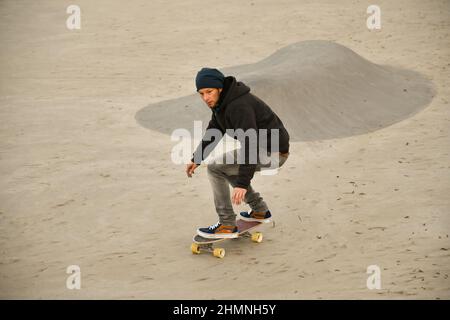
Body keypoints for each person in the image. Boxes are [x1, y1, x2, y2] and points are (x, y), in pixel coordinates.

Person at [186, 68, 290, 239]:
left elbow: (251, 142)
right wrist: (197, 158)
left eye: (209, 92)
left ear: (219, 88)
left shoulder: (238, 105)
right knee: (224, 167)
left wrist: (242, 183)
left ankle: (226, 224)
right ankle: (260, 210)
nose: (206, 98)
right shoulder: (223, 103)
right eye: (201, 93)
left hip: (272, 152)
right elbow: (215, 129)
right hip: (264, 148)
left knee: (215, 168)